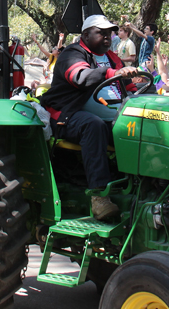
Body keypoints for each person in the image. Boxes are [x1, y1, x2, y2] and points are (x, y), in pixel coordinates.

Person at [40, 15, 138, 220]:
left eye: (109, 33)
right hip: (67, 116)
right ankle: (99, 196)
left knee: (142, 126)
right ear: (85, 34)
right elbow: (81, 78)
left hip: (113, 119)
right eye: (101, 33)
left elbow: (132, 89)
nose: (107, 37)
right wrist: (112, 73)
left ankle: (142, 188)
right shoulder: (72, 54)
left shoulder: (113, 57)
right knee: (93, 126)